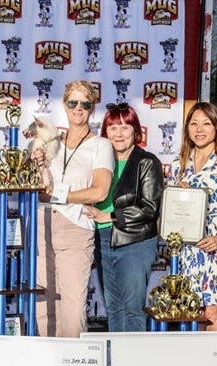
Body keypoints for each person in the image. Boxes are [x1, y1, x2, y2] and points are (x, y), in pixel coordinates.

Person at [33, 80, 113, 337]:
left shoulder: (101, 145)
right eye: (73, 103)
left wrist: (61, 195)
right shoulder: (50, 141)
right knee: (44, 302)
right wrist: (37, 165)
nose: (78, 108)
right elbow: (39, 188)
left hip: (76, 227)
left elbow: (99, 191)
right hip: (43, 224)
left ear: (92, 108)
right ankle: (47, 363)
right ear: (64, 105)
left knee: (73, 304)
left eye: (85, 104)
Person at [167, 102, 217, 331]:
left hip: (216, 249)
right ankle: (193, 365)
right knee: (190, 312)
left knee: (212, 312)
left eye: (206, 123)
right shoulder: (178, 165)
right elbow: (171, 209)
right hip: (187, 251)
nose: (199, 129)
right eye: (194, 124)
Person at [83, 103, 163, 332]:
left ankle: (134, 364)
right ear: (105, 133)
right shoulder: (98, 161)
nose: (119, 134)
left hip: (134, 242)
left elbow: (149, 207)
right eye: (113, 128)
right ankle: (116, 361)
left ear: (135, 132)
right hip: (102, 237)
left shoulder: (147, 161)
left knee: (131, 307)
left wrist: (109, 215)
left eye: (125, 128)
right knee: (113, 307)